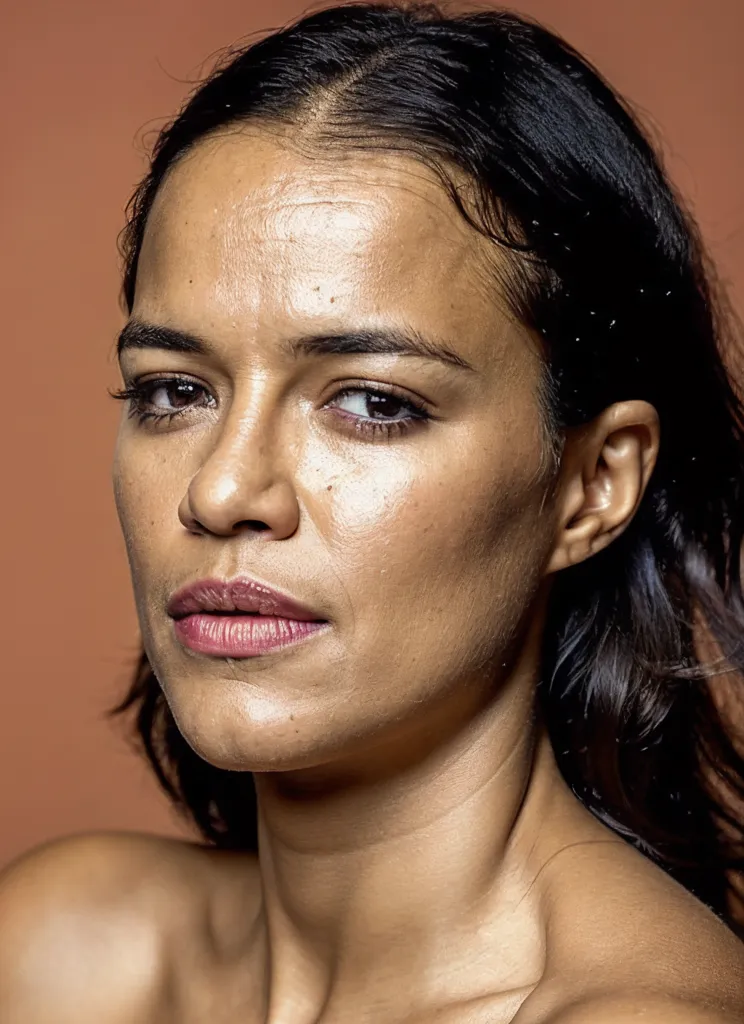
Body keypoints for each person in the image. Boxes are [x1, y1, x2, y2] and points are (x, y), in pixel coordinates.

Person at [2, 3, 744, 1020]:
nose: (221, 491)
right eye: (174, 391)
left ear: (594, 484)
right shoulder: (62, 953)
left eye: (373, 403)